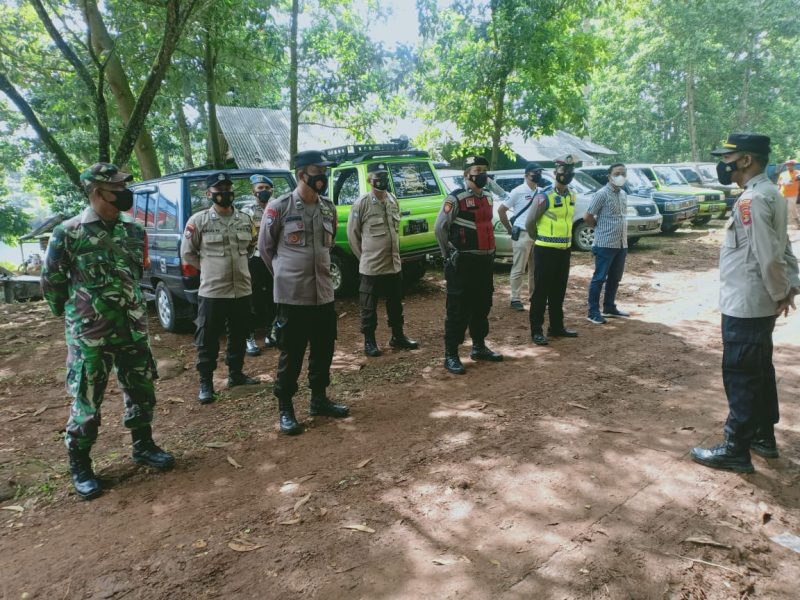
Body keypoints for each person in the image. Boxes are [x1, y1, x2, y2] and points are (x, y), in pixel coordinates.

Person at [41, 162, 174, 500]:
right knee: (87, 401)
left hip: (131, 329)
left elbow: (136, 275)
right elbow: (53, 285)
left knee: (142, 390)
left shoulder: (134, 231)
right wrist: (76, 319)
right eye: (118, 188)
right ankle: (81, 464)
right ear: (98, 192)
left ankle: (143, 445)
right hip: (91, 336)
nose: (125, 192)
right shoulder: (68, 233)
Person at [691, 133, 799, 473]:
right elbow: (784, 248)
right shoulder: (771, 194)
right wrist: (789, 286)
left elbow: (770, 256)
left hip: (747, 304)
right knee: (759, 370)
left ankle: (735, 447)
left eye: (729, 158)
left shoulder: (753, 200)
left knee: (740, 374)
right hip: (757, 301)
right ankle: (762, 436)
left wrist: (782, 290)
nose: (724, 164)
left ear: (746, 160)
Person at [259, 150, 350, 435]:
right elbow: (265, 249)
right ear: (301, 175)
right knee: (292, 352)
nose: (322, 176)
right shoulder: (279, 207)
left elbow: (330, 243)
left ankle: (319, 399)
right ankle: (286, 407)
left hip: (323, 292)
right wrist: (285, 275)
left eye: (324, 170)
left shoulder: (328, 208)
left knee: (324, 349)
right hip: (292, 295)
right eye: (316, 170)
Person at [181, 173, 260, 405]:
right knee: (208, 337)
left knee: (239, 333)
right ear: (209, 194)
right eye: (219, 189)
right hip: (213, 291)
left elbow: (251, 247)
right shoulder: (199, 221)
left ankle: (236, 374)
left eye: (227, 187)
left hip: (242, 289)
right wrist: (208, 268)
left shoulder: (245, 219)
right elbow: (187, 253)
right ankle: (206, 382)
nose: (224, 192)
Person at [435, 155, 503, 374]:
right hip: (462, 263)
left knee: (482, 304)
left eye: (484, 169)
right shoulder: (455, 199)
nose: (482, 173)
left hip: (484, 262)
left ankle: (479, 346)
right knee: (458, 308)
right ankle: (451, 354)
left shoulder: (489, 197)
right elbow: (440, 229)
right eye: (477, 170)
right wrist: (448, 255)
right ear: (466, 175)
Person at [346, 162, 419, 357]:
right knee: (368, 307)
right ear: (369, 180)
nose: (382, 179)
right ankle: (369, 341)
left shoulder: (393, 200)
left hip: (393, 264)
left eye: (385, 175)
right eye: (377, 176)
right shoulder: (362, 203)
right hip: (371, 266)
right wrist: (364, 258)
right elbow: (353, 234)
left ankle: (398, 336)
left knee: (395, 304)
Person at [526, 155, 579, 346]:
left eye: (570, 171)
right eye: (564, 171)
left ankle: (556, 327)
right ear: (555, 172)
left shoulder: (572, 195)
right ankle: (537, 330)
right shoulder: (544, 195)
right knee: (541, 292)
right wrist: (539, 238)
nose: (567, 175)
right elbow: (530, 222)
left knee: (558, 291)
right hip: (545, 250)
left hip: (564, 250)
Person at [585, 163, 630, 324]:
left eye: (623, 173)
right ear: (609, 176)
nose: (620, 176)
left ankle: (609, 307)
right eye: (617, 173)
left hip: (621, 244)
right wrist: (599, 228)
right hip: (604, 244)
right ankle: (593, 312)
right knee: (599, 278)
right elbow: (588, 216)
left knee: (615, 278)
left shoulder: (623, 194)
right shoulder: (601, 194)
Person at [497, 162, 542, 311]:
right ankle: (515, 298)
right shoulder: (517, 191)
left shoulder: (541, 192)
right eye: (534, 173)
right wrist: (509, 229)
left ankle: (535, 296)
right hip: (522, 233)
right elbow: (501, 210)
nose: (537, 175)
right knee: (519, 268)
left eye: (539, 172)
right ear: (526, 175)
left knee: (535, 269)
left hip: (537, 235)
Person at [241, 174, 277, 356]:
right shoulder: (246, 211)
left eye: (266, 188)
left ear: (271, 190)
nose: (263, 191)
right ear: (253, 191)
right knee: (252, 299)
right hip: (253, 259)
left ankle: (272, 332)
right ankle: (249, 337)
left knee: (274, 296)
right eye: (260, 188)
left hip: (274, 259)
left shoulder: (278, 207)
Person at [777, 159, 800, 229]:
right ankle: (780, 225)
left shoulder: (798, 173)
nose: (789, 167)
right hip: (782, 194)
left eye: (790, 165)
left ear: (793, 166)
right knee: (781, 209)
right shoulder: (783, 174)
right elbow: (778, 183)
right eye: (787, 165)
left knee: (792, 209)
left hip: (793, 195)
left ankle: (798, 224)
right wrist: (782, 183)